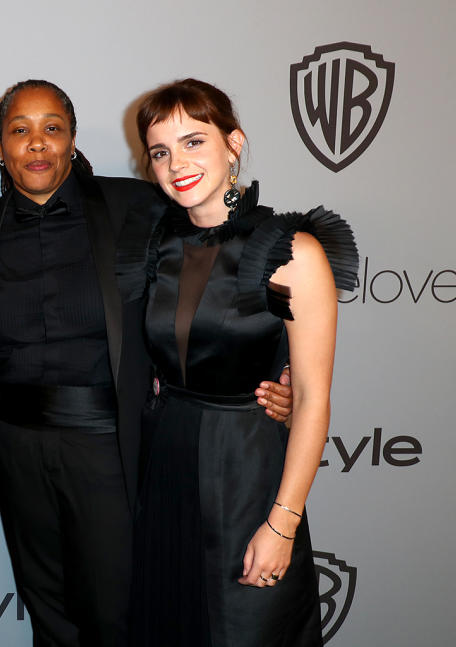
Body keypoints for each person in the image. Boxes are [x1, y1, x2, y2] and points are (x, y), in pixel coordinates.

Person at [0, 80, 294, 647]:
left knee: (118, 614)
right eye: (20, 130)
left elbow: (220, 272)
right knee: (49, 612)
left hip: (111, 446)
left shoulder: (137, 209)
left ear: (71, 141)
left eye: (52, 129)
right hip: (18, 448)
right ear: (0, 147)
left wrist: (270, 374)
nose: (36, 144)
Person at [129, 78, 358, 646]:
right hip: (168, 462)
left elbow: (309, 398)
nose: (176, 162)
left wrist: (283, 522)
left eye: (193, 141)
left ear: (234, 144)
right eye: (161, 151)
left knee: (245, 628)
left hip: (244, 470)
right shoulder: (158, 244)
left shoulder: (289, 250)